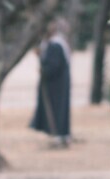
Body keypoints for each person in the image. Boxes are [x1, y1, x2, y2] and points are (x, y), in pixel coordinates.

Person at [30, 18, 72, 148]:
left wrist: (44, 69)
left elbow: (53, 65)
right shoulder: (58, 43)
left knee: (57, 109)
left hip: (56, 84)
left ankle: (59, 136)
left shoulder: (56, 44)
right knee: (58, 109)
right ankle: (61, 135)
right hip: (59, 83)